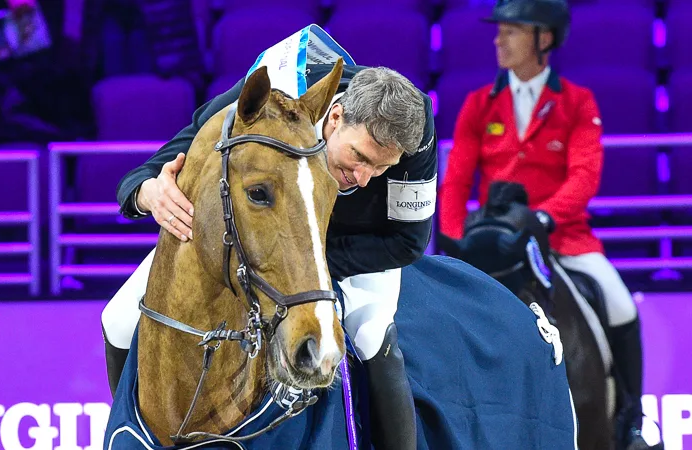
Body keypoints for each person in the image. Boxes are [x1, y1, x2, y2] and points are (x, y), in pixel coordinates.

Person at [100, 31, 437, 450]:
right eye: (360, 158)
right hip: (261, 237)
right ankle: (136, 433)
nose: (366, 178)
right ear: (333, 118)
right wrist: (144, 191)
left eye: (381, 168)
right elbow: (176, 150)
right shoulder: (276, 90)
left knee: (370, 336)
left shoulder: (417, 133)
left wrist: (304, 261)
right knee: (117, 319)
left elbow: (407, 243)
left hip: (357, 245)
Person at [436, 1, 661, 449]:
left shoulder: (577, 101)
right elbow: (457, 178)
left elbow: (585, 174)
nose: (498, 39)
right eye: (500, 31)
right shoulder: (480, 103)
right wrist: (455, 238)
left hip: (563, 239)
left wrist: (544, 217)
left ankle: (631, 421)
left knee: (621, 305)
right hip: (497, 242)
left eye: (512, 31)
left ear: (544, 38)